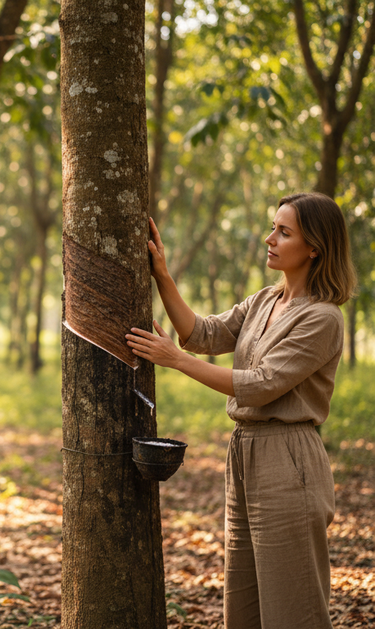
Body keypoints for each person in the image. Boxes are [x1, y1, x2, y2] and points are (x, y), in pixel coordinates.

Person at [125, 192, 356, 629]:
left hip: (288, 460)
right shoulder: (265, 300)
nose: (270, 239)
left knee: (292, 611)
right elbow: (203, 334)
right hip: (244, 454)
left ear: (314, 247)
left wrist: (176, 361)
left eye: (284, 232)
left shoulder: (323, 318)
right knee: (242, 609)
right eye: (273, 228)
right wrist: (162, 276)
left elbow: (262, 384)